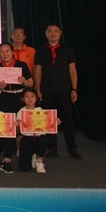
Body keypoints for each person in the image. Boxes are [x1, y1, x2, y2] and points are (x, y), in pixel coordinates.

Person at [34, 21, 82, 159]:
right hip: (47, 91)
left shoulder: (67, 49)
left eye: (55, 31)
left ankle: (72, 148)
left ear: (60, 33)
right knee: (49, 120)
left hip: (64, 90)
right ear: (46, 33)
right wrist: (38, 90)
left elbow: (72, 71)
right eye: (50, 31)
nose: (53, 34)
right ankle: (52, 148)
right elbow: (38, 71)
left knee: (67, 120)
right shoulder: (40, 50)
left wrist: (74, 89)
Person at [0, 42, 33, 113]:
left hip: (21, 97)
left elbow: (31, 83)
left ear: (13, 52)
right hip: (4, 97)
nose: (5, 54)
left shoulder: (22, 65)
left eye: (7, 51)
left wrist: (24, 82)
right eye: (2, 52)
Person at [17, 88, 49, 173]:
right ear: (23, 99)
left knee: (44, 140)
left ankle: (39, 161)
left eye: (32, 96)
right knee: (25, 168)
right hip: (27, 139)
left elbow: (47, 123)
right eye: (27, 97)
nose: (30, 99)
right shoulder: (21, 112)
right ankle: (32, 155)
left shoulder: (41, 111)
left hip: (39, 137)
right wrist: (17, 123)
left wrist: (54, 121)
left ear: (36, 98)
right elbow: (19, 127)